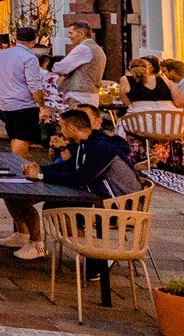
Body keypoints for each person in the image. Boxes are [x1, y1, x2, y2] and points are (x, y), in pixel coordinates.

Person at [8, 108, 143, 264]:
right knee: (49, 204)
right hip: (103, 197)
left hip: (120, 204)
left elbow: (80, 178)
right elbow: (70, 166)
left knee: (57, 209)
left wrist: (41, 175)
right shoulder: (87, 143)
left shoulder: (100, 146)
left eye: (62, 127)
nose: (61, 131)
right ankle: (94, 252)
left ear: (72, 128)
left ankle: (98, 254)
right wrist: (41, 169)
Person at [0, 27, 49, 252]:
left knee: (14, 138)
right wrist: (42, 106)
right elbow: (34, 85)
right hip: (23, 105)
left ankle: (13, 171)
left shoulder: (3, 54)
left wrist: (3, 95)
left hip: (7, 104)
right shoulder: (29, 58)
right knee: (22, 140)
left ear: (16, 38)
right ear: (34, 40)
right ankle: (16, 174)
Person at [120, 57, 184, 172]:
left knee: (122, 123)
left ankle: (135, 159)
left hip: (144, 128)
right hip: (170, 128)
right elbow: (181, 103)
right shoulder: (164, 80)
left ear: (129, 69)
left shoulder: (125, 79)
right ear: (148, 69)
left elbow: (127, 103)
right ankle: (168, 160)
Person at [51, 22, 104, 107]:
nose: (69, 36)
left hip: (78, 97)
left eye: (71, 33)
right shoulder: (98, 49)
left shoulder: (83, 48)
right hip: (92, 95)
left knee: (76, 119)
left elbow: (60, 68)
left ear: (81, 34)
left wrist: (53, 67)